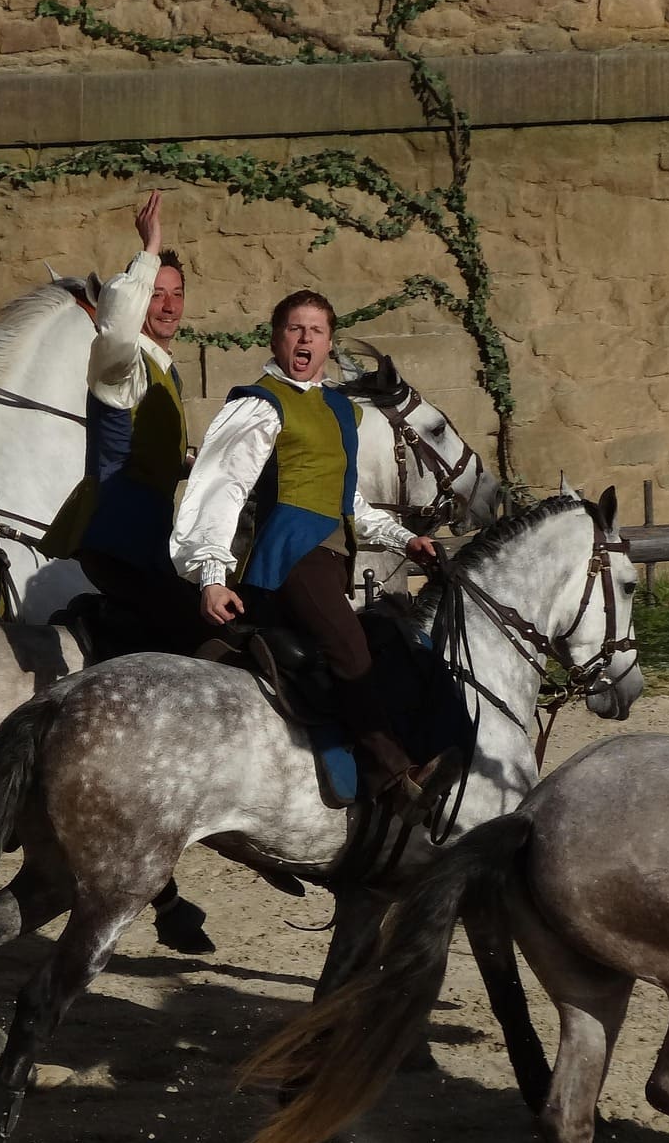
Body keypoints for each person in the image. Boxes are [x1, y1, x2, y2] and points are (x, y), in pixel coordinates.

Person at [171, 288, 445, 813]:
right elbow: (221, 486)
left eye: (316, 331)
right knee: (351, 651)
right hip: (290, 559)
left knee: (389, 638)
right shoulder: (259, 404)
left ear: (329, 343)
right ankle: (395, 779)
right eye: (295, 328)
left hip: (330, 559)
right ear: (276, 338)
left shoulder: (337, 408)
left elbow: (349, 500)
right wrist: (210, 575)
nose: (305, 339)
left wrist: (403, 538)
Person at [39, 191, 207, 653]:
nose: (169, 306)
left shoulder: (164, 371)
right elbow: (114, 327)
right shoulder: (123, 365)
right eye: (156, 295)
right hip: (117, 541)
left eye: (177, 295)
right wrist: (149, 251)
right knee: (195, 637)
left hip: (146, 545)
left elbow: (148, 457)